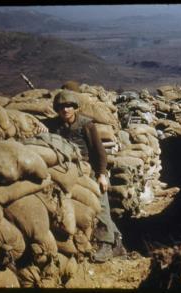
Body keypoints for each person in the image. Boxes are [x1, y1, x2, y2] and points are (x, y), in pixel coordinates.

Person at [45, 90, 126, 263]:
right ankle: (117, 242)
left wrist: (102, 175)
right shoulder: (55, 125)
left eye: (68, 106)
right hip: (68, 171)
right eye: (61, 107)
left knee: (100, 205)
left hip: (90, 169)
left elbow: (100, 153)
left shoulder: (86, 125)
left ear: (75, 108)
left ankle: (105, 244)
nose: (65, 110)